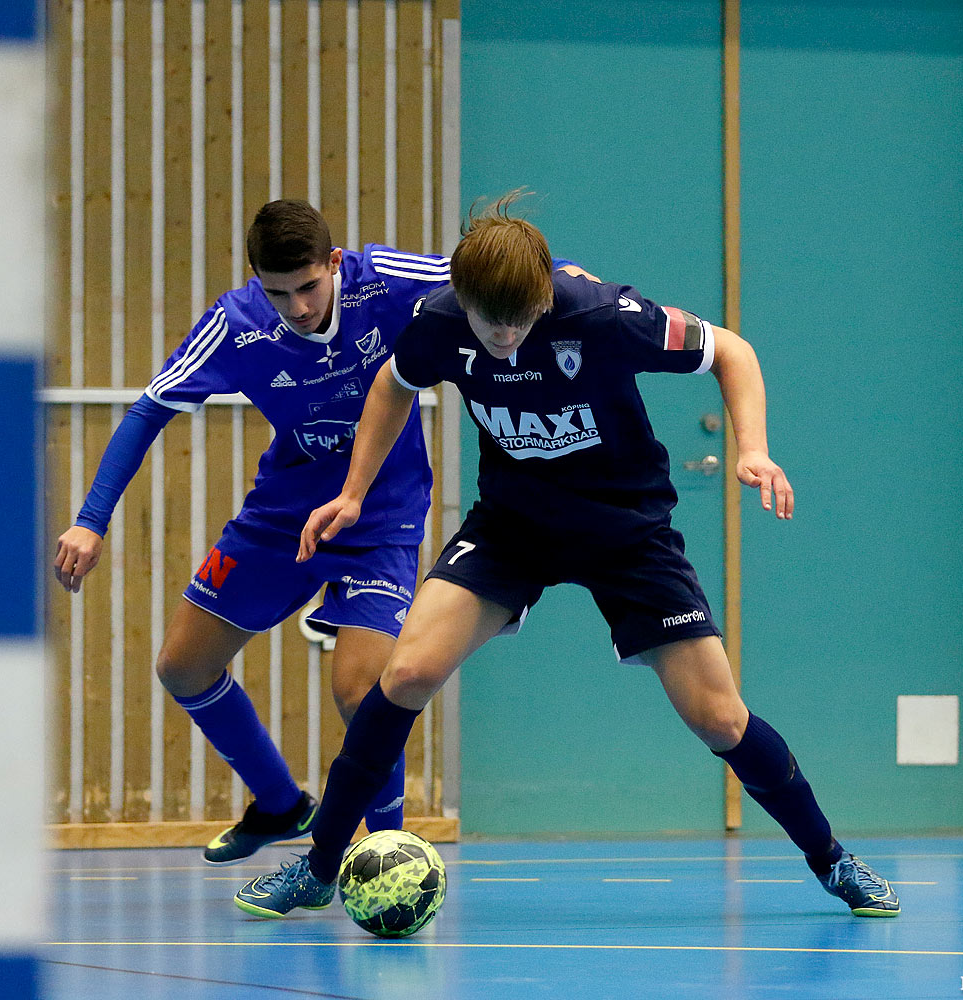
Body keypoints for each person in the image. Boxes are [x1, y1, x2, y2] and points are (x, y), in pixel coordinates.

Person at [234, 191, 900, 921]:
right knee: (408, 671)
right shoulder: (440, 323)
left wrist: (754, 449)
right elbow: (395, 386)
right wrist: (355, 491)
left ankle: (832, 859)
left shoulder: (606, 315)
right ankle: (320, 865)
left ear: (544, 295)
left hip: (626, 530)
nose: (508, 338)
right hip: (514, 525)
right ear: (466, 300)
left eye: (522, 322)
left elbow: (731, 351)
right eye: (494, 325)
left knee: (718, 717)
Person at [52, 200, 584, 864]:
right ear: (256, 282)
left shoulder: (383, 279)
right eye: (279, 293)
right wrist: (89, 521)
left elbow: (497, 273)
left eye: (308, 286)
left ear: (333, 263)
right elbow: (148, 411)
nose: (298, 307)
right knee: (182, 666)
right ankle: (279, 804)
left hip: (381, 514)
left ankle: (388, 846)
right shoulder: (236, 325)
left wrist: (567, 279)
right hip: (283, 515)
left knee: (361, 689)